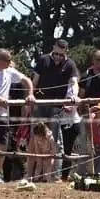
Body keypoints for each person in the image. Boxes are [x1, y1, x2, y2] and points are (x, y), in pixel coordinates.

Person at [0, 48, 35, 184]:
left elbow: (26, 80)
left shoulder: (9, 71)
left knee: (3, 145)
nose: (10, 63)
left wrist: (30, 93)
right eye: (7, 61)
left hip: (4, 115)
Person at [31, 39, 81, 180]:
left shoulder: (70, 64)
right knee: (35, 139)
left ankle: (55, 175)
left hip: (56, 107)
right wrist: (30, 97)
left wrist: (74, 96)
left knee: (54, 142)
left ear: (66, 52)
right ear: (53, 48)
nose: (58, 57)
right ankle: (34, 175)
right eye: (56, 54)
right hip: (40, 104)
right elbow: (35, 80)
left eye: (61, 55)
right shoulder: (43, 60)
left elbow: (74, 82)